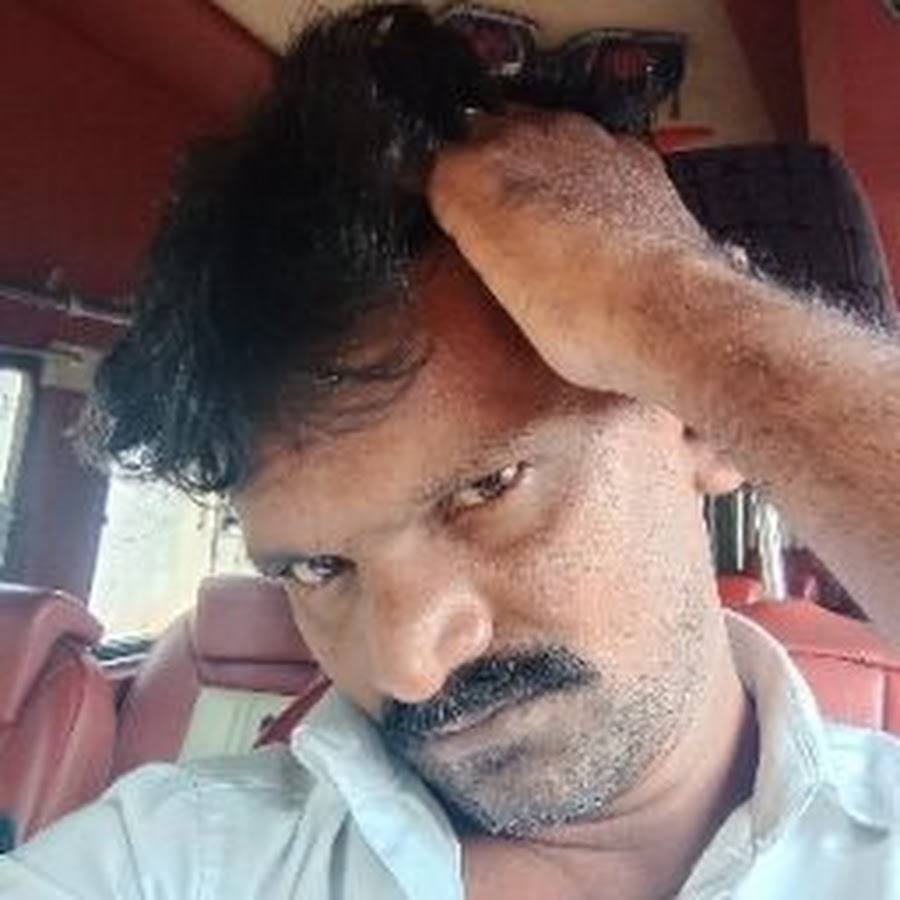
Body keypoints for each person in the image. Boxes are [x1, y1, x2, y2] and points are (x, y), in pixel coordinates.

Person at [2, 4, 899, 898]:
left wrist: (684, 313)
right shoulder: (171, 862)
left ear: (697, 421)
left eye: (485, 487)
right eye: (318, 568)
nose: (409, 667)